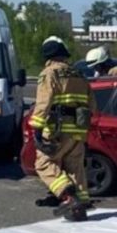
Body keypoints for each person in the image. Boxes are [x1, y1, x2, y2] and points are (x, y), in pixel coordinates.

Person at [31, 36, 95, 221]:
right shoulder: (79, 74)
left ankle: (68, 196)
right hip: (78, 130)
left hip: (57, 129)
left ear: (47, 57)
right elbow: (93, 106)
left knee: (43, 163)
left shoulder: (49, 73)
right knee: (75, 167)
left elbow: (44, 102)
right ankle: (80, 206)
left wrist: (37, 128)